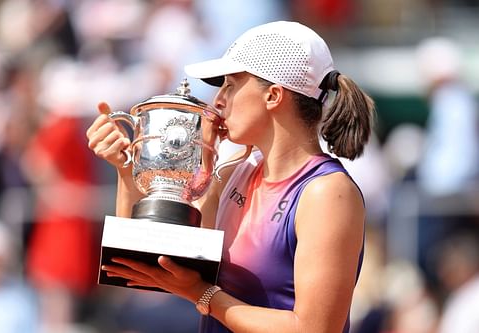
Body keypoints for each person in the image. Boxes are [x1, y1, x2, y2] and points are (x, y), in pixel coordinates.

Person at [87, 21, 375, 333]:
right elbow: (146, 256)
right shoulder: (238, 168)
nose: (217, 102)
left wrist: (203, 294)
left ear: (273, 96)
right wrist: (127, 166)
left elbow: (314, 329)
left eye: (230, 86)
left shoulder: (327, 193)